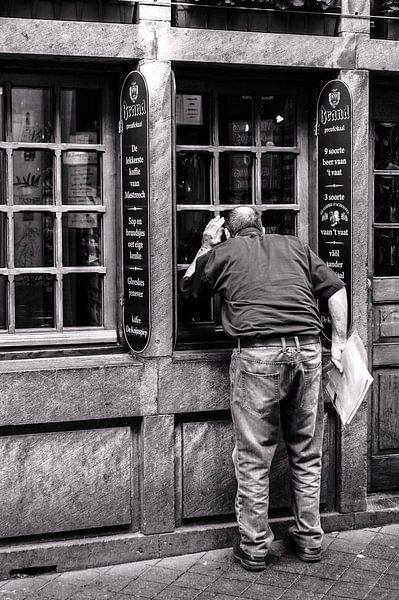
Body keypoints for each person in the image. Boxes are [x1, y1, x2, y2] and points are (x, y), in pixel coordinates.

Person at [179, 206, 347, 572]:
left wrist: (205, 245)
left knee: (254, 457)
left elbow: (189, 290)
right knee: (306, 450)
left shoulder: (223, 252)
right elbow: (335, 290)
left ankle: (255, 547)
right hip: (307, 351)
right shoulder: (294, 245)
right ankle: (309, 538)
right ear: (262, 227)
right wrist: (337, 342)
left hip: (257, 354)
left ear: (228, 231)